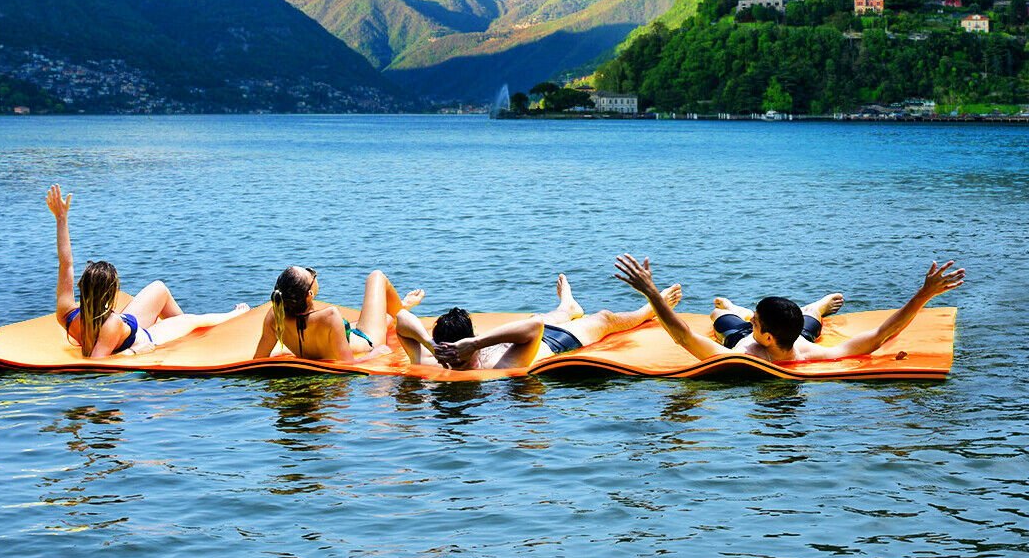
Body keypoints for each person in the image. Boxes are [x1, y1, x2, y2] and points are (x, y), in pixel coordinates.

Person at [613, 253, 964, 364]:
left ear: (763, 333)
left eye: (755, 320)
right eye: (752, 317)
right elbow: (880, 334)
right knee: (719, 311)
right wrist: (922, 294)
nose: (752, 322)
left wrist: (652, 293)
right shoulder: (799, 344)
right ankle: (734, 305)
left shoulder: (753, 352)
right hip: (790, 331)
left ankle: (818, 305)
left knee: (720, 319)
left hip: (759, 336)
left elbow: (681, 336)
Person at [47, 184, 248, 358]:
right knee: (191, 320)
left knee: (159, 288)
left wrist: (61, 219)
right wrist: (136, 351)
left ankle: (184, 333)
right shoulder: (110, 324)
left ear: (82, 286)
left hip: (126, 327)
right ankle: (234, 315)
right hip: (143, 337)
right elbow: (97, 363)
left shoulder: (66, 311)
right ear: (110, 292)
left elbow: (66, 265)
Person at [396, 273, 683, 371]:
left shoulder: (432, 358)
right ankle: (648, 309)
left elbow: (402, 319)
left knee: (539, 316)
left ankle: (567, 305)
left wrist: (429, 345)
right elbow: (537, 332)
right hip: (553, 340)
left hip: (522, 334)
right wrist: (438, 346)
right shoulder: (498, 367)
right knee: (604, 318)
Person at [253, 266, 416, 363]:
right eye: (312, 275)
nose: (314, 275)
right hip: (368, 341)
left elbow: (258, 359)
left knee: (385, 318)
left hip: (346, 336)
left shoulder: (275, 316)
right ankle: (402, 309)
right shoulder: (329, 317)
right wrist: (376, 353)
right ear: (309, 294)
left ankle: (400, 309)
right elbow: (349, 364)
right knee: (376, 276)